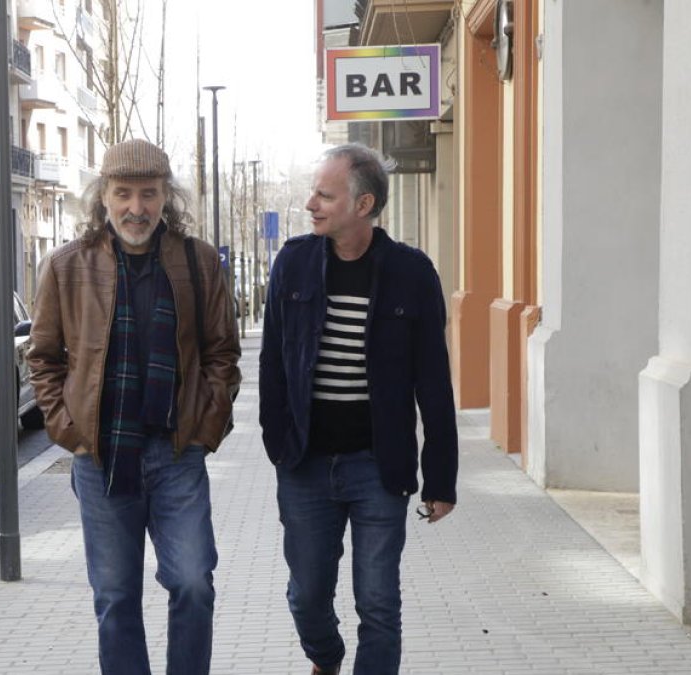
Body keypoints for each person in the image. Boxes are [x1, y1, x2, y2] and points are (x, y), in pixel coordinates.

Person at [27, 138, 241, 675]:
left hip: (176, 454)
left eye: (148, 195)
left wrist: (206, 424)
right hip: (101, 458)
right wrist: (69, 429)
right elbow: (44, 358)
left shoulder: (198, 262)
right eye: (123, 194)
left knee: (193, 582)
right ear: (103, 197)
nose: (136, 208)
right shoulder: (65, 267)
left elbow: (222, 352)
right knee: (116, 598)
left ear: (166, 196)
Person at [258, 143, 458, 675]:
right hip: (305, 465)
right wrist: (277, 442)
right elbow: (273, 362)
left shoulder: (412, 274)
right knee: (306, 596)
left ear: (363, 204)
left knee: (378, 605)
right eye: (314, 192)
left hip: (378, 466)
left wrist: (440, 477)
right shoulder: (294, 263)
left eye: (324, 194)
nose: (310, 203)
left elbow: (434, 381)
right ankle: (326, 659)